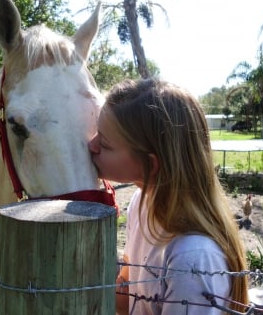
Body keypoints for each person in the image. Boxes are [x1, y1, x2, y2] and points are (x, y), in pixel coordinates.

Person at [88, 78, 248, 315]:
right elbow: (126, 295)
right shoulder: (141, 203)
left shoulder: (193, 259)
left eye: (105, 143)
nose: (91, 145)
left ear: (149, 165)